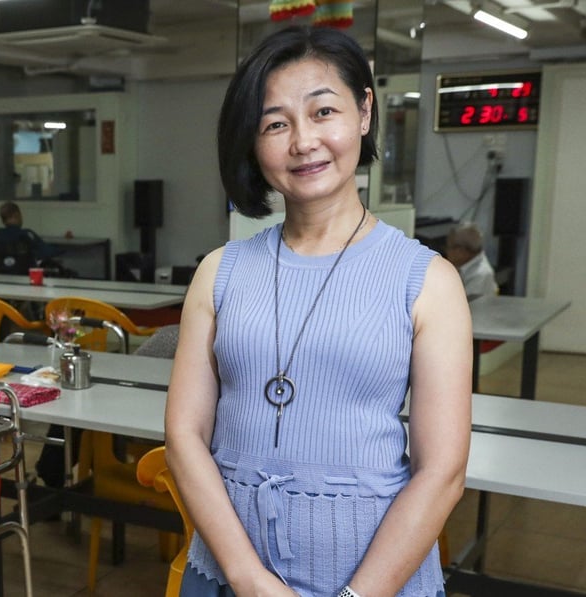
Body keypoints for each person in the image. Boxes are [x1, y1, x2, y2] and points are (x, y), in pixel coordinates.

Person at [165, 26, 471, 597]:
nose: (303, 141)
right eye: (275, 124)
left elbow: (442, 472)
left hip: (376, 583)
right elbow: (184, 435)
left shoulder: (428, 280)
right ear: (253, 144)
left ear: (363, 112)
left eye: (322, 111)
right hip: (227, 577)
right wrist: (248, 580)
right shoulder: (220, 271)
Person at [0, 201, 60, 274]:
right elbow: (46, 252)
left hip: (2, 277)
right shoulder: (27, 234)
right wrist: (60, 250)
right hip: (25, 277)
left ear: (3, 220)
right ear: (17, 215)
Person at [446, 221, 499, 300]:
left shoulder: (481, 275)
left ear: (461, 251)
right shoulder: (463, 265)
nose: (446, 251)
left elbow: (462, 305)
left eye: (449, 247)